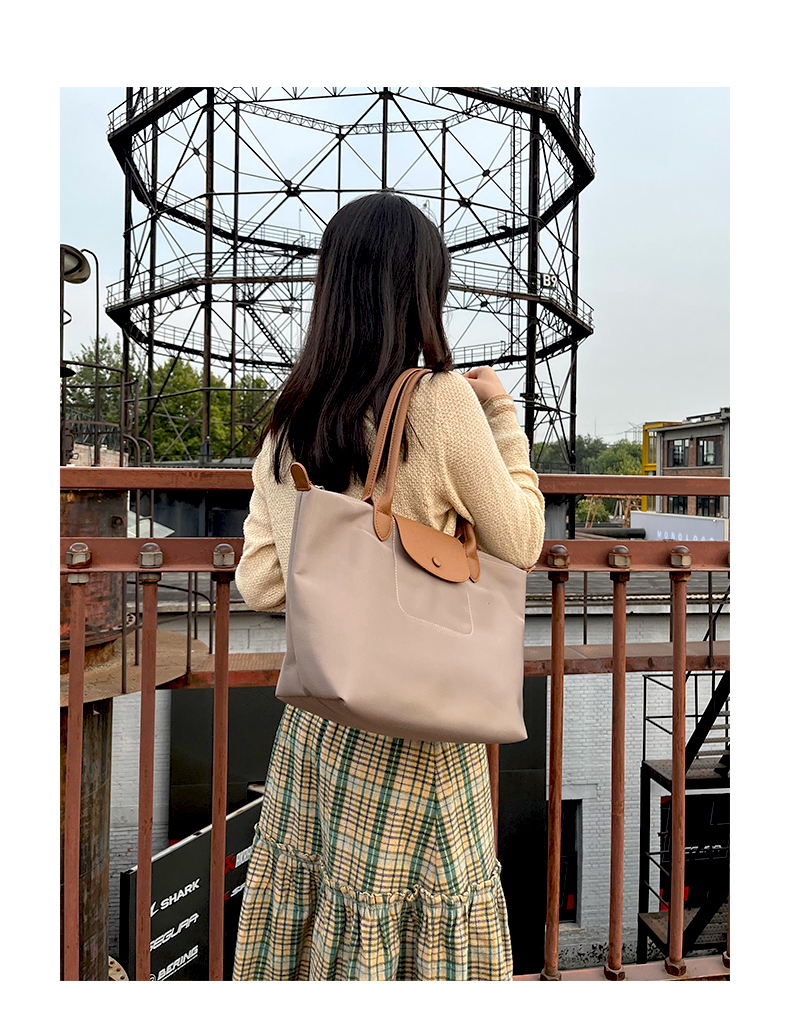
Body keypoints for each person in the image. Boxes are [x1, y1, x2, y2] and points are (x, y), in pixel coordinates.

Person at [231, 192, 545, 981]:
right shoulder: (439, 400)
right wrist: (501, 417)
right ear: (421, 290)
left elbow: (262, 581)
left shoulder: (289, 417)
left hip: (323, 720)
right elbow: (520, 539)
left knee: (324, 926)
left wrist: (342, 563)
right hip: (422, 727)